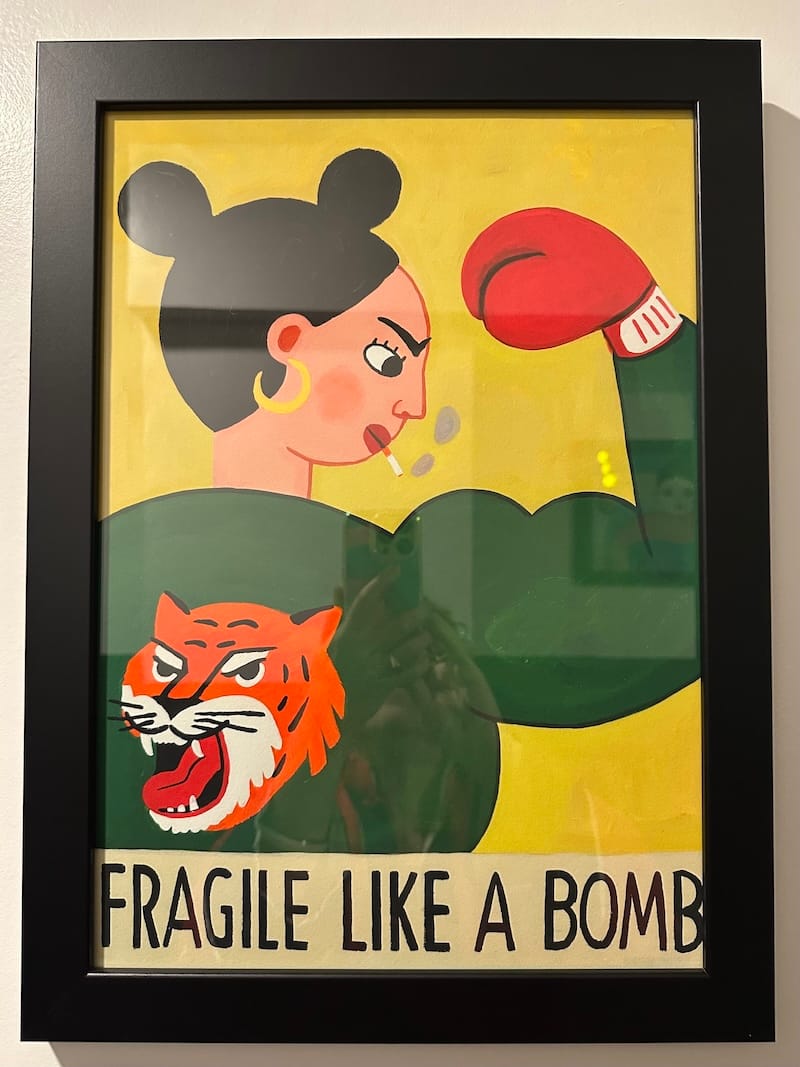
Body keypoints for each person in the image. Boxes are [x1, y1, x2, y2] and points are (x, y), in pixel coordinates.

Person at [103, 148, 700, 853]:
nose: (414, 403)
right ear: (288, 347)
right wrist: (640, 324)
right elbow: (679, 594)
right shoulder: (400, 587)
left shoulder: (119, 562)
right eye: (387, 357)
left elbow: (674, 607)